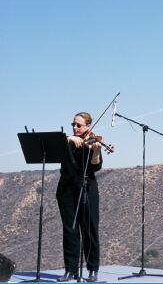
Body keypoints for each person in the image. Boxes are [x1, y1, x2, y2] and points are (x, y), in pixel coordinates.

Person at [56, 112, 102, 282]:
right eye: (73, 125)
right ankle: (70, 270)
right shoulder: (67, 141)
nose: (75, 128)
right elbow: (57, 145)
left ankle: (92, 270)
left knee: (90, 230)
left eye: (79, 125)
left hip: (87, 189)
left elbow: (95, 167)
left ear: (87, 127)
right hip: (66, 190)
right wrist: (68, 139)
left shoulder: (92, 141)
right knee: (69, 230)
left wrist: (96, 151)